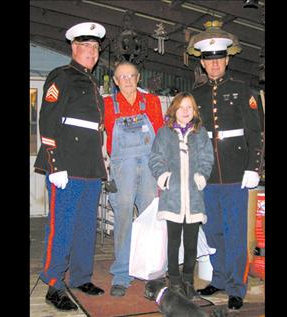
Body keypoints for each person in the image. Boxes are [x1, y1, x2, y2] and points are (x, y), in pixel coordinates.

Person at [33, 21, 107, 311]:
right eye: (86, 46)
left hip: (90, 167)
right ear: (74, 47)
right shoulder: (61, 76)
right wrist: (56, 164)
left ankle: (80, 276)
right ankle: (53, 283)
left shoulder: (90, 82)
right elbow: (48, 119)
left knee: (86, 226)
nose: (91, 51)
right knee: (61, 226)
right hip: (66, 167)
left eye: (95, 47)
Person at [191, 32, 264, 309]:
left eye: (219, 59)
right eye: (209, 61)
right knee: (213, 230)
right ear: (203, 64)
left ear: (226, 60)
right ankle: (219, 278)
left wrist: (253, 167)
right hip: (207, 175)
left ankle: (236, 286)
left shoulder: (244, 90)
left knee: (234, 232)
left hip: (235, 173)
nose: (214, 64)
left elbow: (256, 133)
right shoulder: (195, 95)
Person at [103, 61, 164, 296]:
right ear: (116, 81)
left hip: (149, 165)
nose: (127, 80)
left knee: (151, 217)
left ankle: (152, 271)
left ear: (138, 78)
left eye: (131, 76)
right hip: (121, 167)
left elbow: (159, 134)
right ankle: (122, 274)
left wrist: (163, 170)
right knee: (123, 217)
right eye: (122, 77)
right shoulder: (107, 103)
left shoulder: (152, 102)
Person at [148, 92, 214, 300]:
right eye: (181, 107)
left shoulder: (200, 133)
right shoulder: (163, 133)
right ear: (174, 110)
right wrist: (164, 178)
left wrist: (202, 176)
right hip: (173, 198)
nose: (185, 112)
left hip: (193, 198)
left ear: (195, 111)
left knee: (192, 243)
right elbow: (155, 158)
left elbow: (207, 158)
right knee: (173, 241)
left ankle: (188, 280)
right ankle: (174, 281)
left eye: (190, 108)